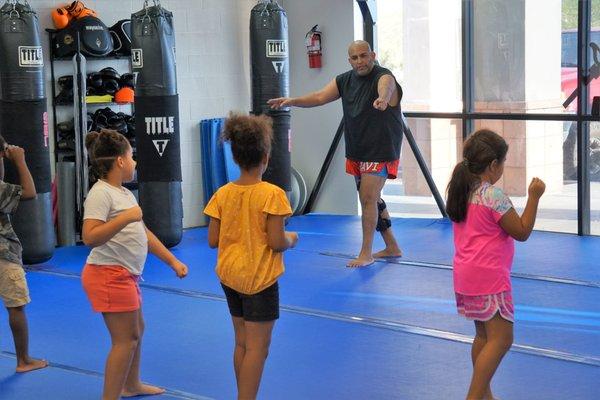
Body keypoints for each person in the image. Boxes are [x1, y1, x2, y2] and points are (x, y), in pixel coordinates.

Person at [268, 40, 402, 267]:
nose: (360, 61)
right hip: (358, 148)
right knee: (373, 198)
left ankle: (366, 253)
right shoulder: (345, 80)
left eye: (364, 55)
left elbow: (387, 86)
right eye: (355, 58)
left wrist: (383, 98)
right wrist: (293, 101)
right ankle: (391, 246)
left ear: (373, 55)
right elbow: (320, 97)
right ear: (349, 60)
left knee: (368, 198)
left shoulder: (384, 76)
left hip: (381, 148)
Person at [81, 129, 188, 400]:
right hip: (108, 274)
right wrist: (126, 218)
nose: (135, 162)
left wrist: (172, 261)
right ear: (119, 161)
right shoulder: (101, 193)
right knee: (125, 340)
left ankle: (131, 384)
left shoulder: (124, 194)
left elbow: (144, 234)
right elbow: (90, 237)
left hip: (125, 274)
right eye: (132, 157)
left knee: (136, 331)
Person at [446, 129, 546, 400]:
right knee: (502, 338)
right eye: (502, 162)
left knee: (484, 336)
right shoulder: (493, 197)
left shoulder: (461, 191)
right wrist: (534, 197)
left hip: (465, 275)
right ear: (493, 165)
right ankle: (475, 396)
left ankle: (485, 394)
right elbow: (522, 231)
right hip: (489, 278)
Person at [204, 113, 298, 400]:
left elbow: (212, 240)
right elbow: (276, 241)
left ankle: (243, 394)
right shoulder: (273, 194)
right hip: (259, 279)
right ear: (266, 157)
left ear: (235, 158)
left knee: (242, 343)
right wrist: (292, 240)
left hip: (230, 276)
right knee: (258, 348)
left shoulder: (222, 193)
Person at [0, 136, 48, 373]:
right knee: (16, 306)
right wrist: (19, 160)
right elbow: (30, 192)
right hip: (3, 255)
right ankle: (23, 360)